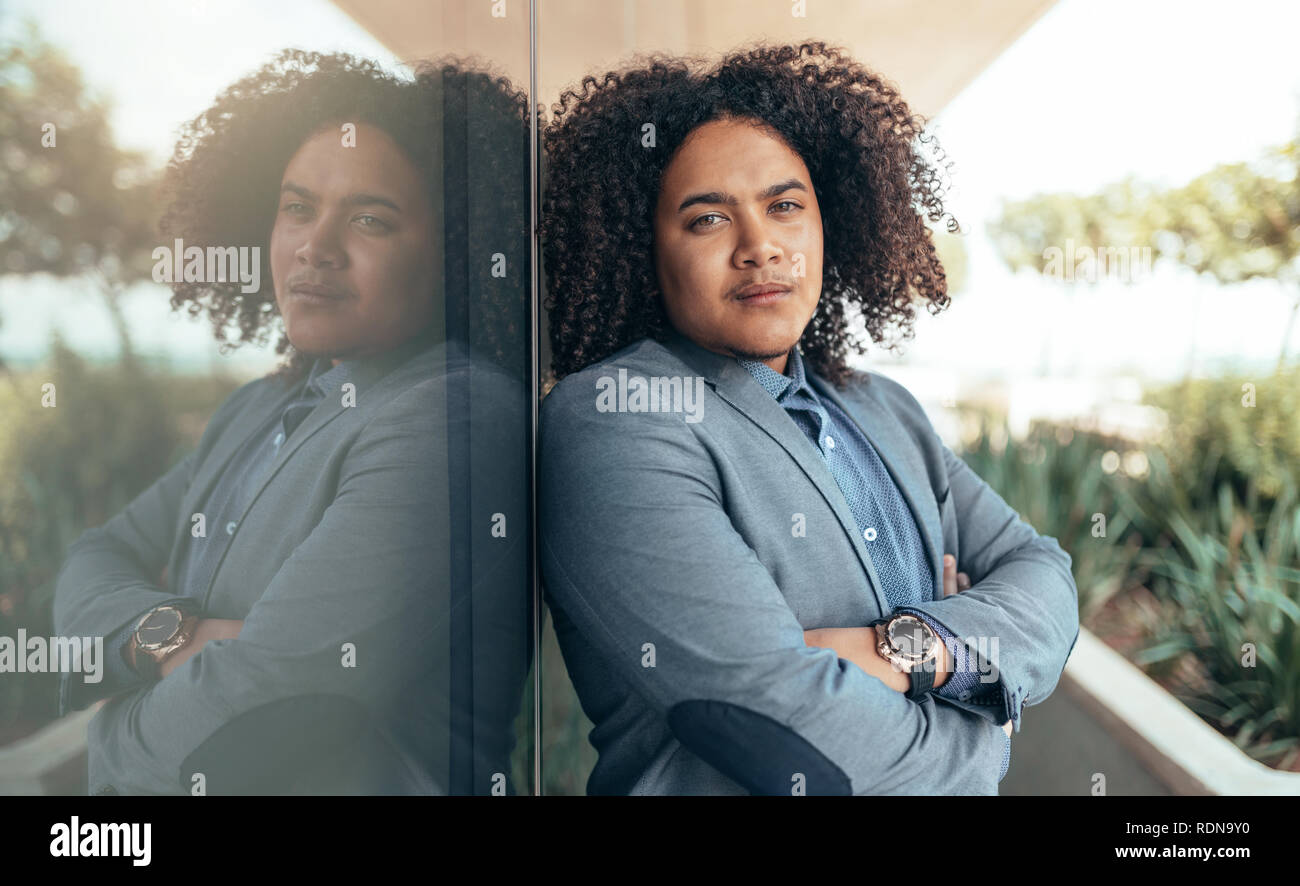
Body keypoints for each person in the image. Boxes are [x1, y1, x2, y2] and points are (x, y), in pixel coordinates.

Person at [537, 41, 1080, 795]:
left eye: (785, 206)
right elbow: (774, 724)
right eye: (706, 220)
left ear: (831, 222)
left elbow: (1044, 575)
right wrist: (983, 721)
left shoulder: (882, 407)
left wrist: (910, 648)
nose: (761, 247)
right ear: (642, 250)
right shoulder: (614, 421)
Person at [52, 50, 532, 795]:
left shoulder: (455, 418)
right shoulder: (260, 408)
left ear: (457, 253)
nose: (316, 246)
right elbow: (96, 556)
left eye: (370, 219)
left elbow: (265, 706)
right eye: (298, 207)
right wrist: (176, 635)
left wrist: (107, 736)